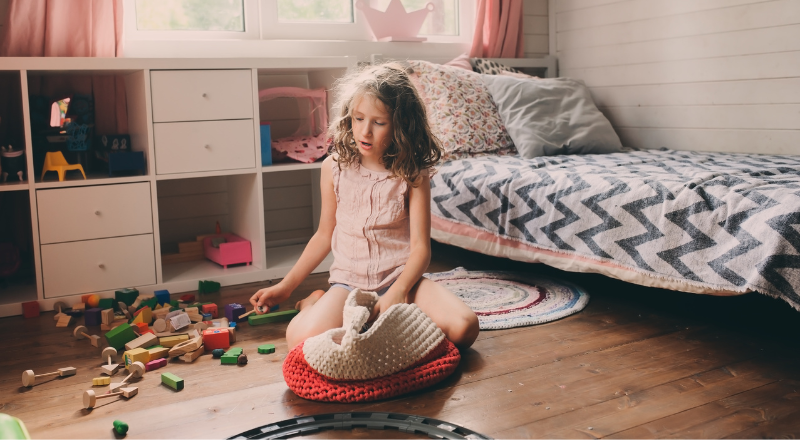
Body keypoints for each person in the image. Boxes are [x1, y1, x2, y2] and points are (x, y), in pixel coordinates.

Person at [250, 63, 479, 350]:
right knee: (299, 341)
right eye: (358, 118)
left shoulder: (413, 173)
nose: (365, 132)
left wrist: (397, 292)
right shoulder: (333, 167)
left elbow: (421, 249)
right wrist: (286, 286)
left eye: (379, 123)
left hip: (402, 279)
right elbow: (323, 235)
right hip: (348, 284)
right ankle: (314, 302)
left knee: (465, 327)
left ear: (401, 125)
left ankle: (380, 318)